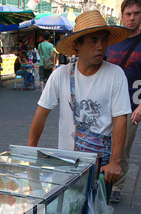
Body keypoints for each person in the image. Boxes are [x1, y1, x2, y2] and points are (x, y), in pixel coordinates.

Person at [27, 10, 132, 202]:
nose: (100, 47)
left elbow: (120, 121)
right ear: (77, 45)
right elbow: (41, 114)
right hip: (67, 166)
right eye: (93, 40)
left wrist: (115, 163)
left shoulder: (115, 75)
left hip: (101, 168)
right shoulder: (61, 75)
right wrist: (29, 154)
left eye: (103, 40)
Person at [105, 0, 141, 203]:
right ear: (122, 15)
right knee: (103, 144)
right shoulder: (112, 40)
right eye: (128, 13)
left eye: (136, 13)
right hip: (106, 104)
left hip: (131, 106)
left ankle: (117, 185)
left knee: (123, 148)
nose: (132, 18)